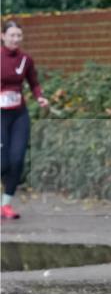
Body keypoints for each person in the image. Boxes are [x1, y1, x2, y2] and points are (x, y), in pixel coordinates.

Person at [1, 19, 50, 219]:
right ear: (2, 36)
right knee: (2, 164)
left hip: (19, 115)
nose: (15, 39)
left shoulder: (25, 60)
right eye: (12, 35)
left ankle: (6, 204)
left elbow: (33, 82)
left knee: (17, 160)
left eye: (19, 36)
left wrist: (40, 97)